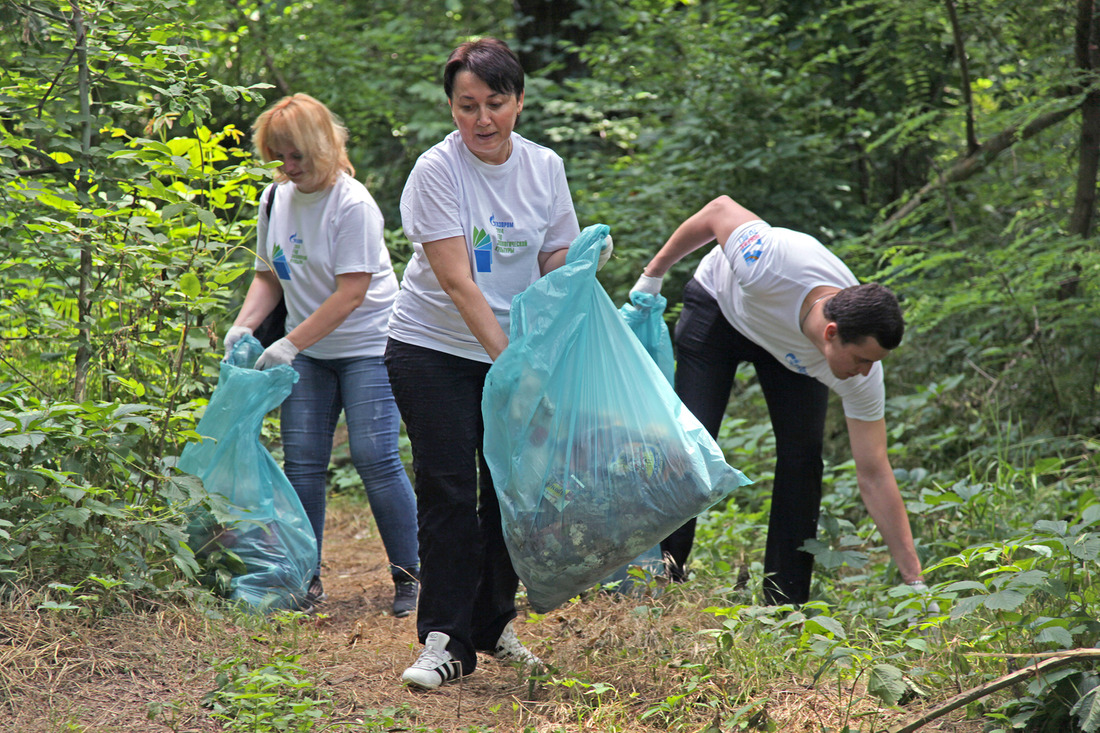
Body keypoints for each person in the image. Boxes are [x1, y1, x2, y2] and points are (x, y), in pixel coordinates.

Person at [385, 38, 607, 690]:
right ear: (451, 107)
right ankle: (445, 639)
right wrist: (512, 365)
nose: (482, 120)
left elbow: (553, 261)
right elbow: (458, 281)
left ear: (518, 100)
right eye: (466, 106)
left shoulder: (545, 168)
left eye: (496, 103)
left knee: (510, 492)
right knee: (451, 488)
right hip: (433, 348)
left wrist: (569, 312)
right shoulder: (436, 172)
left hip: (514, 354)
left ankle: (490, 621)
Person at [632, 195, 926, 605]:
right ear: (831, 333)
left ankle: (784, 602)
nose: (865, 372)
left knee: (803, 458)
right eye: (861, 360)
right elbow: (718, 209)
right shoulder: (770, 263)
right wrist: (653, 275)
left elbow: (874, 472)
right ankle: (661, 578)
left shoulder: (861, 370)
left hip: (790, 353)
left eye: (872, 363)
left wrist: (915, 580)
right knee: (691, 444)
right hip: (721, 308)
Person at [222, 93, 421, 618]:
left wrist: (289, 343)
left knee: (375, 458)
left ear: (322, 147)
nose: (287, 169)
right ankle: (304, 579)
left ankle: (413, 575)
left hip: (369, 346)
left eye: (296, 157)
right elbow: (268, 274)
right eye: (278, 158)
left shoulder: (352, 205)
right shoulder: (276, 199)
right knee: (303, 465)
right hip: (308, 350)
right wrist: (244, 325)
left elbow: (351, 293)